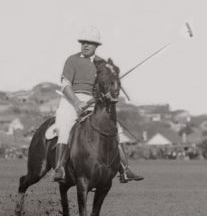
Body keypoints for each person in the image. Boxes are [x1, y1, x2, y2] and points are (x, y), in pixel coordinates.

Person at [52, 26, 144, 183]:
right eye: (83, 42)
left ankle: (125, 170)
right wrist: (76, 102)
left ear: (96, 46)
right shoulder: (72, 60)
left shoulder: (102, 64)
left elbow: (106, 85)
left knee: (117, 130)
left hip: (94, 101)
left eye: (89, 43)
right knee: (65, 127)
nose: (85, 45)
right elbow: (65, 84)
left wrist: (107, 94)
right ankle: (59, 168)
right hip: (71, 99)